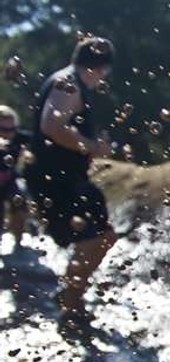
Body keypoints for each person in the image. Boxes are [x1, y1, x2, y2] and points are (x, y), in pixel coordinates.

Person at [23, 37, 117, 324]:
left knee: (100, 236)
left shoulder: (67, 80)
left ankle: (71, 298)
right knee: (99, 237)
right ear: (102, 68)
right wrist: (92, 146)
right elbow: (51, 125)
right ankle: (70, 303)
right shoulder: (70, 83)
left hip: (64, 177)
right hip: (56, 180)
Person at [0, 105, 32, 250]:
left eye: (12, 129)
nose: (8, 134)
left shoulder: (19, 138)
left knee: (20, 201)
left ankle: (18, 244)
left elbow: (43, 141)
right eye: (3, 130)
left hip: (9, 181)